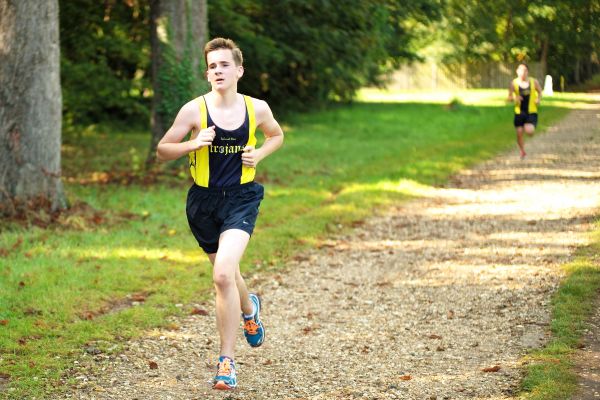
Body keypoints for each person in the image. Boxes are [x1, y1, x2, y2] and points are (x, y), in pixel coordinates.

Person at [156, 37, 284, 390]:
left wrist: (258, 155)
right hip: (203, 203)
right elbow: (163, 150)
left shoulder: (256, 108)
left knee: (224, 275)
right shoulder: (192, 111)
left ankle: (226, 361)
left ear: (239, 70)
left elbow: (276, 135)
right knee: (226, 272)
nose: (218, 71)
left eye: (224, 64)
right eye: (212, 66)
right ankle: (249, 309)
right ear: (207, 73)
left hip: (242, 199)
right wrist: (192, 144)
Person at [507, 62, 542, 159]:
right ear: (517, 71)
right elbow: (508, 98)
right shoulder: (513, 83)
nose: (522, 72)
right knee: (519, 132)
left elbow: (540, 92)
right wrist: (515, 98)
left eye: (524, 70)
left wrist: (538, 99)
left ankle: (531, 130)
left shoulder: (533, 82)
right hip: (519, 112)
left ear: (528, 72)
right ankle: (522, 151)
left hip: (531, 111)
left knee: (529, 131)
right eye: (520, 70)